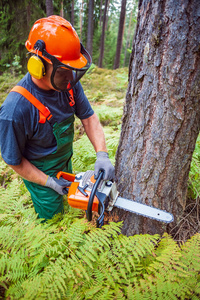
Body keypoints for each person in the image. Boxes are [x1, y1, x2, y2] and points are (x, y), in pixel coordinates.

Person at [0, 15, 115, 220]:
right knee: (53, 222)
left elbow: (88, 118)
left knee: (68, 206)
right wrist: (49, 182)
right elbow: (14, 161)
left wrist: (102, 155)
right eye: (64, 71)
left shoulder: (67, 84)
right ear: (39, 65)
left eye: (73, 70)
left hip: (64, 161)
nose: (71, 77)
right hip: (38, 172)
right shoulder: (15, 110)